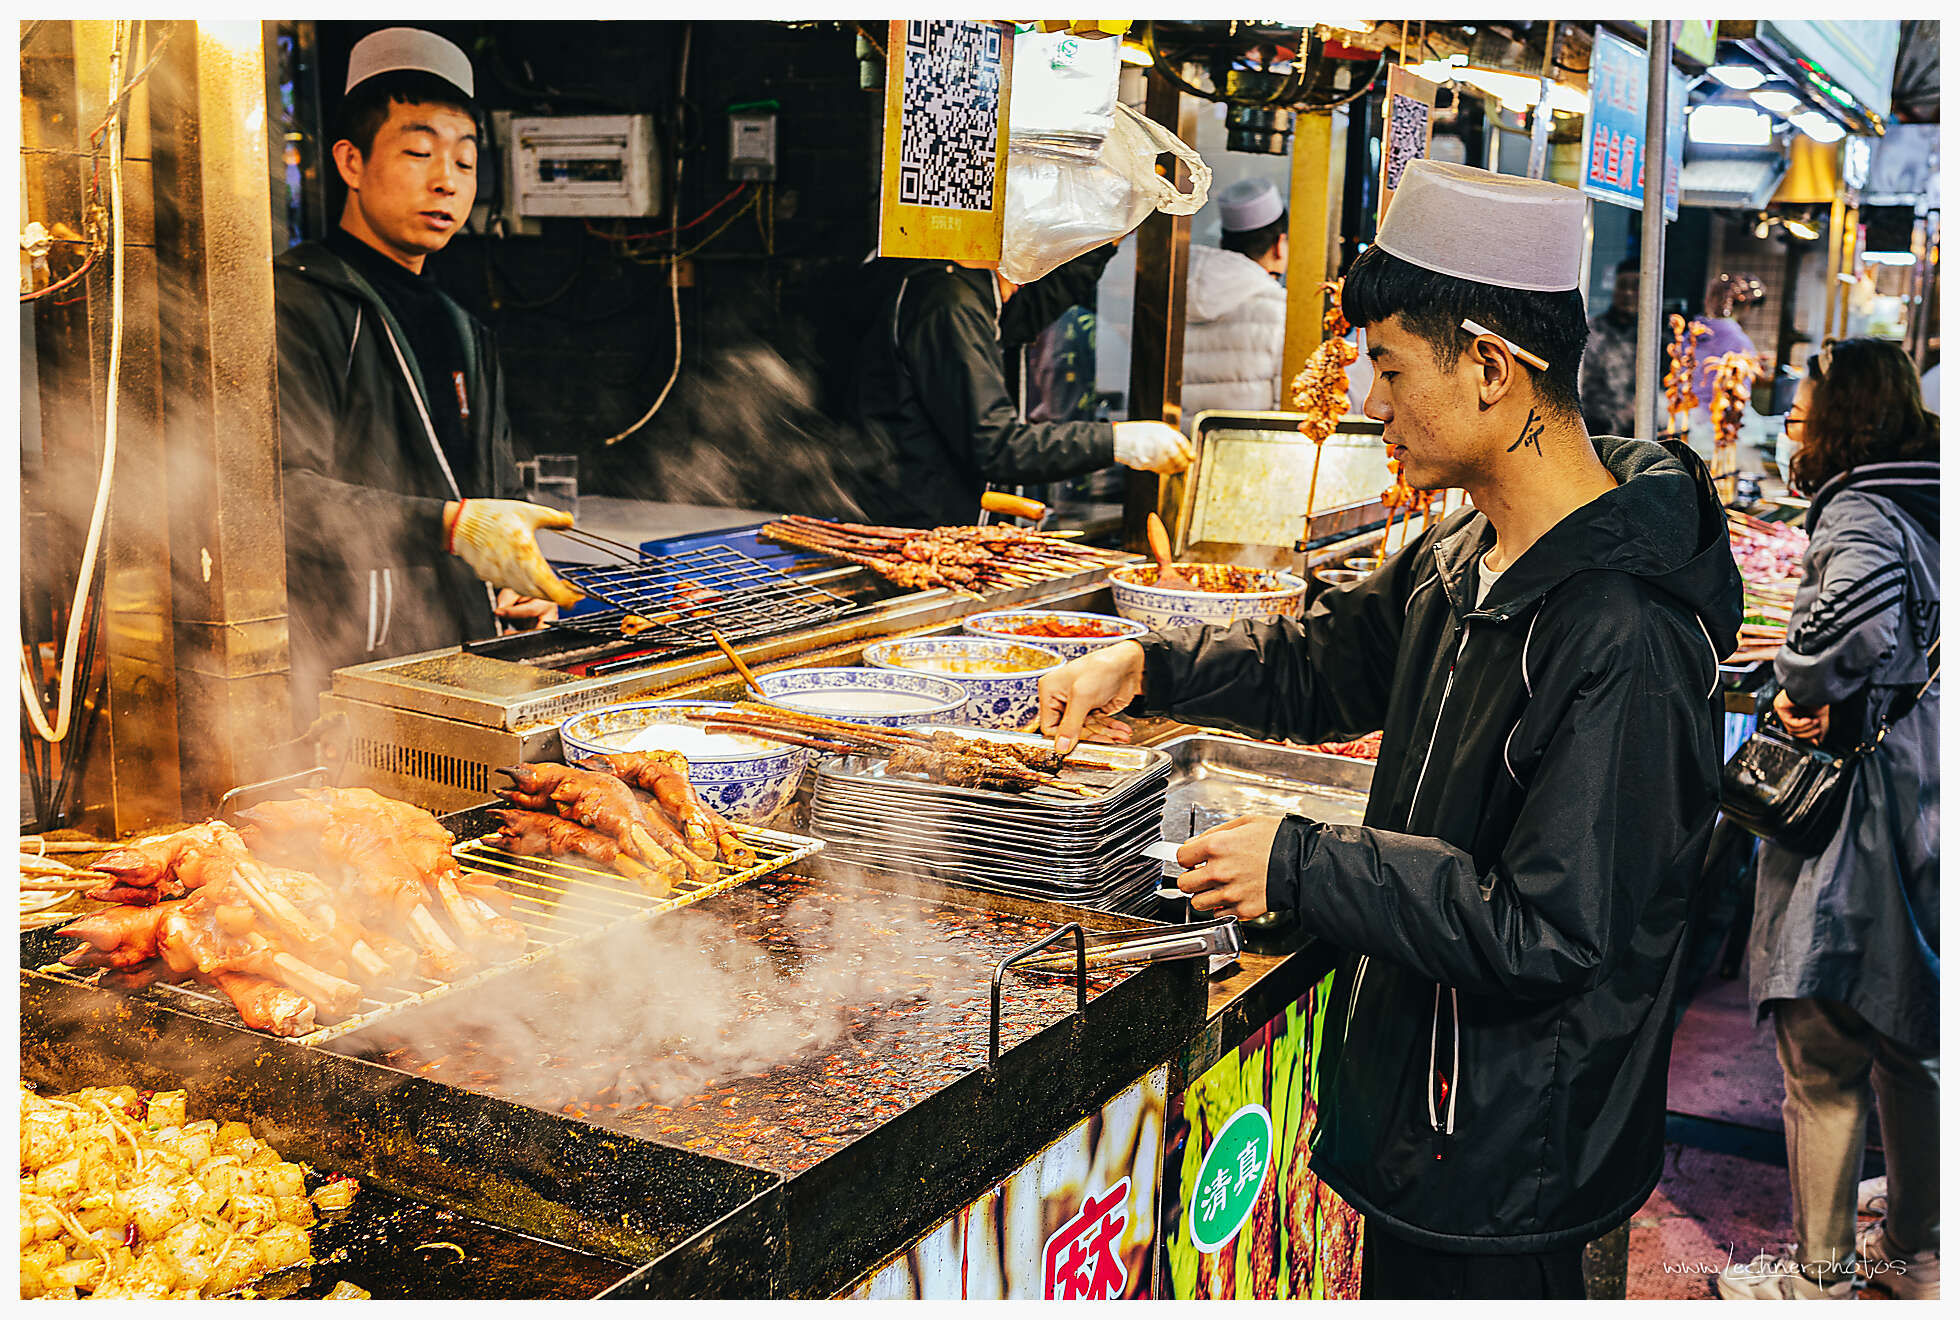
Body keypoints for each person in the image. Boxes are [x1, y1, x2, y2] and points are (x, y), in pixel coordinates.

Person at [1037, 160, 1744, 1299]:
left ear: (1488, 368)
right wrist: (1148, 661)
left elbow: (1551, 931)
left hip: (1512, 1150)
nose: (1368, 398)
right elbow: (1319, 663)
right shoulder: (1464, 552)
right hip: (1428, 1111)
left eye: (1387, 365)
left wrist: (1301, 864)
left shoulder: (1624, 631)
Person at [1717, 338, 1939, 1302]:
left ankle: (1820, 1277)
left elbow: (1855, 623)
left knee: (1820, 1039)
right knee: (1908, 1029)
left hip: (1863, 806)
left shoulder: (1859, 507)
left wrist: (1803, 681)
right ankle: (1916, 1247)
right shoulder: (1936, 494)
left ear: (1844, 417)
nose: (1791, 420)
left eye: (1802, 408)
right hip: (1925, 790)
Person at [276, 27, 579, 721]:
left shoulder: (464, 328)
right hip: (336, 679)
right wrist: (451, 525)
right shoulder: (298, 301)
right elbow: (279, 500)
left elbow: (490, 495)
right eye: (417, 153)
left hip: (455, 670)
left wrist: (510, 578)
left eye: (466, 163)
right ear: (350, 162)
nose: (446, 180)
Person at [846, 247, 1192, 528]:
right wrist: (1120, 442)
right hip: (911, 525)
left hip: (905, 507)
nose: (1026, 283)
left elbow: (1023, 316)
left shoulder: (931, 279)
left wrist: (1102, 243)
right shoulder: (947, 301)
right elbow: (996, 446)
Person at [1181, 177, 1288, 424]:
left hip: (1172, 451)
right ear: (1279, 246)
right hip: (1246, 454)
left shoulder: (1172, 294)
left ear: (1223, 243)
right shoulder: (1281, 311)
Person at [1580, 257, 1643, 438]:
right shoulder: (1591, 331)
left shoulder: (1659, 339)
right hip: (1594, 435)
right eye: (1623, 285)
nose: (1628, 293)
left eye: (1636, 286)